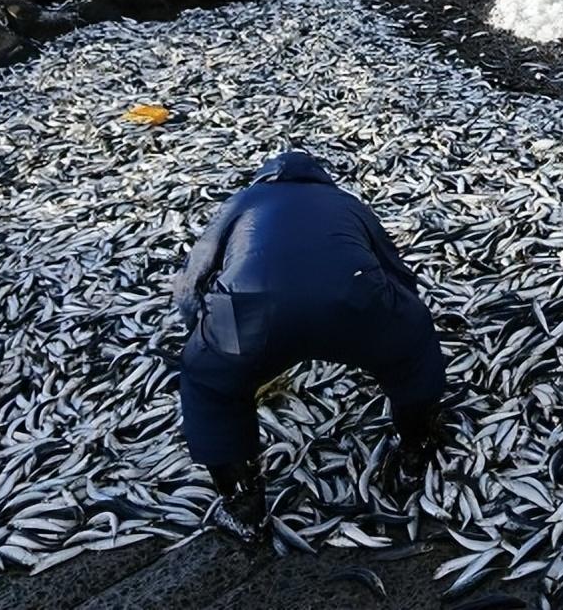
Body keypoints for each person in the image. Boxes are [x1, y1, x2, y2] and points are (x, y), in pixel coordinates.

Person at [173, 151, 448, 541]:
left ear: (264, 179)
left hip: (250, 308)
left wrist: (203, 336)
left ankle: (243, 506)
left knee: (209, 383)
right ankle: (415, 453)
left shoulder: (242, 202)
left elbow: (191, 281)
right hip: (352, 299)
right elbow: (395, 270)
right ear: (321, 179)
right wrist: (400, 323)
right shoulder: (346, 202)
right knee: (412, 349)